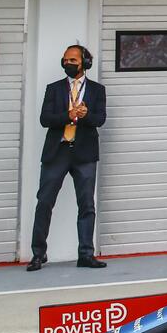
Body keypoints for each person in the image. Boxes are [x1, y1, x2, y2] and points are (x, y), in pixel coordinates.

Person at [29, 45, 107, 271]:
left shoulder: (97, 90)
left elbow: (100, 119)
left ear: (85, 62)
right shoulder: (53, 89)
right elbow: (45, 119)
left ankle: (86, 254)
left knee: (86, 205)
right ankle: (38, 254)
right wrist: (68, 115)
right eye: (65, 60)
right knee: (44, 202)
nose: (68, 64)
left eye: (73, 60)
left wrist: (85, 115)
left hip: (84, 153)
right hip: (58, 152)